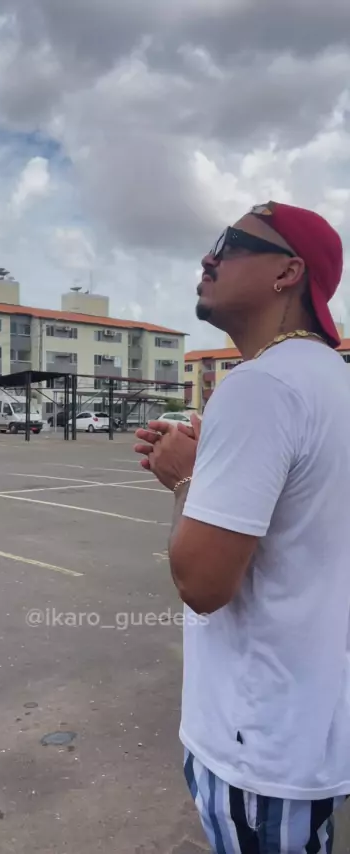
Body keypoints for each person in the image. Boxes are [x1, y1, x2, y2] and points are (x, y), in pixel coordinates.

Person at [135, 201, 350, 853]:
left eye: (230, 244)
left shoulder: (259, 387)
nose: (209, 257)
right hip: (314, 722)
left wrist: (185, 479)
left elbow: (202, 584)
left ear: (288, 272)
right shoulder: (332, 381)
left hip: (257, 744)